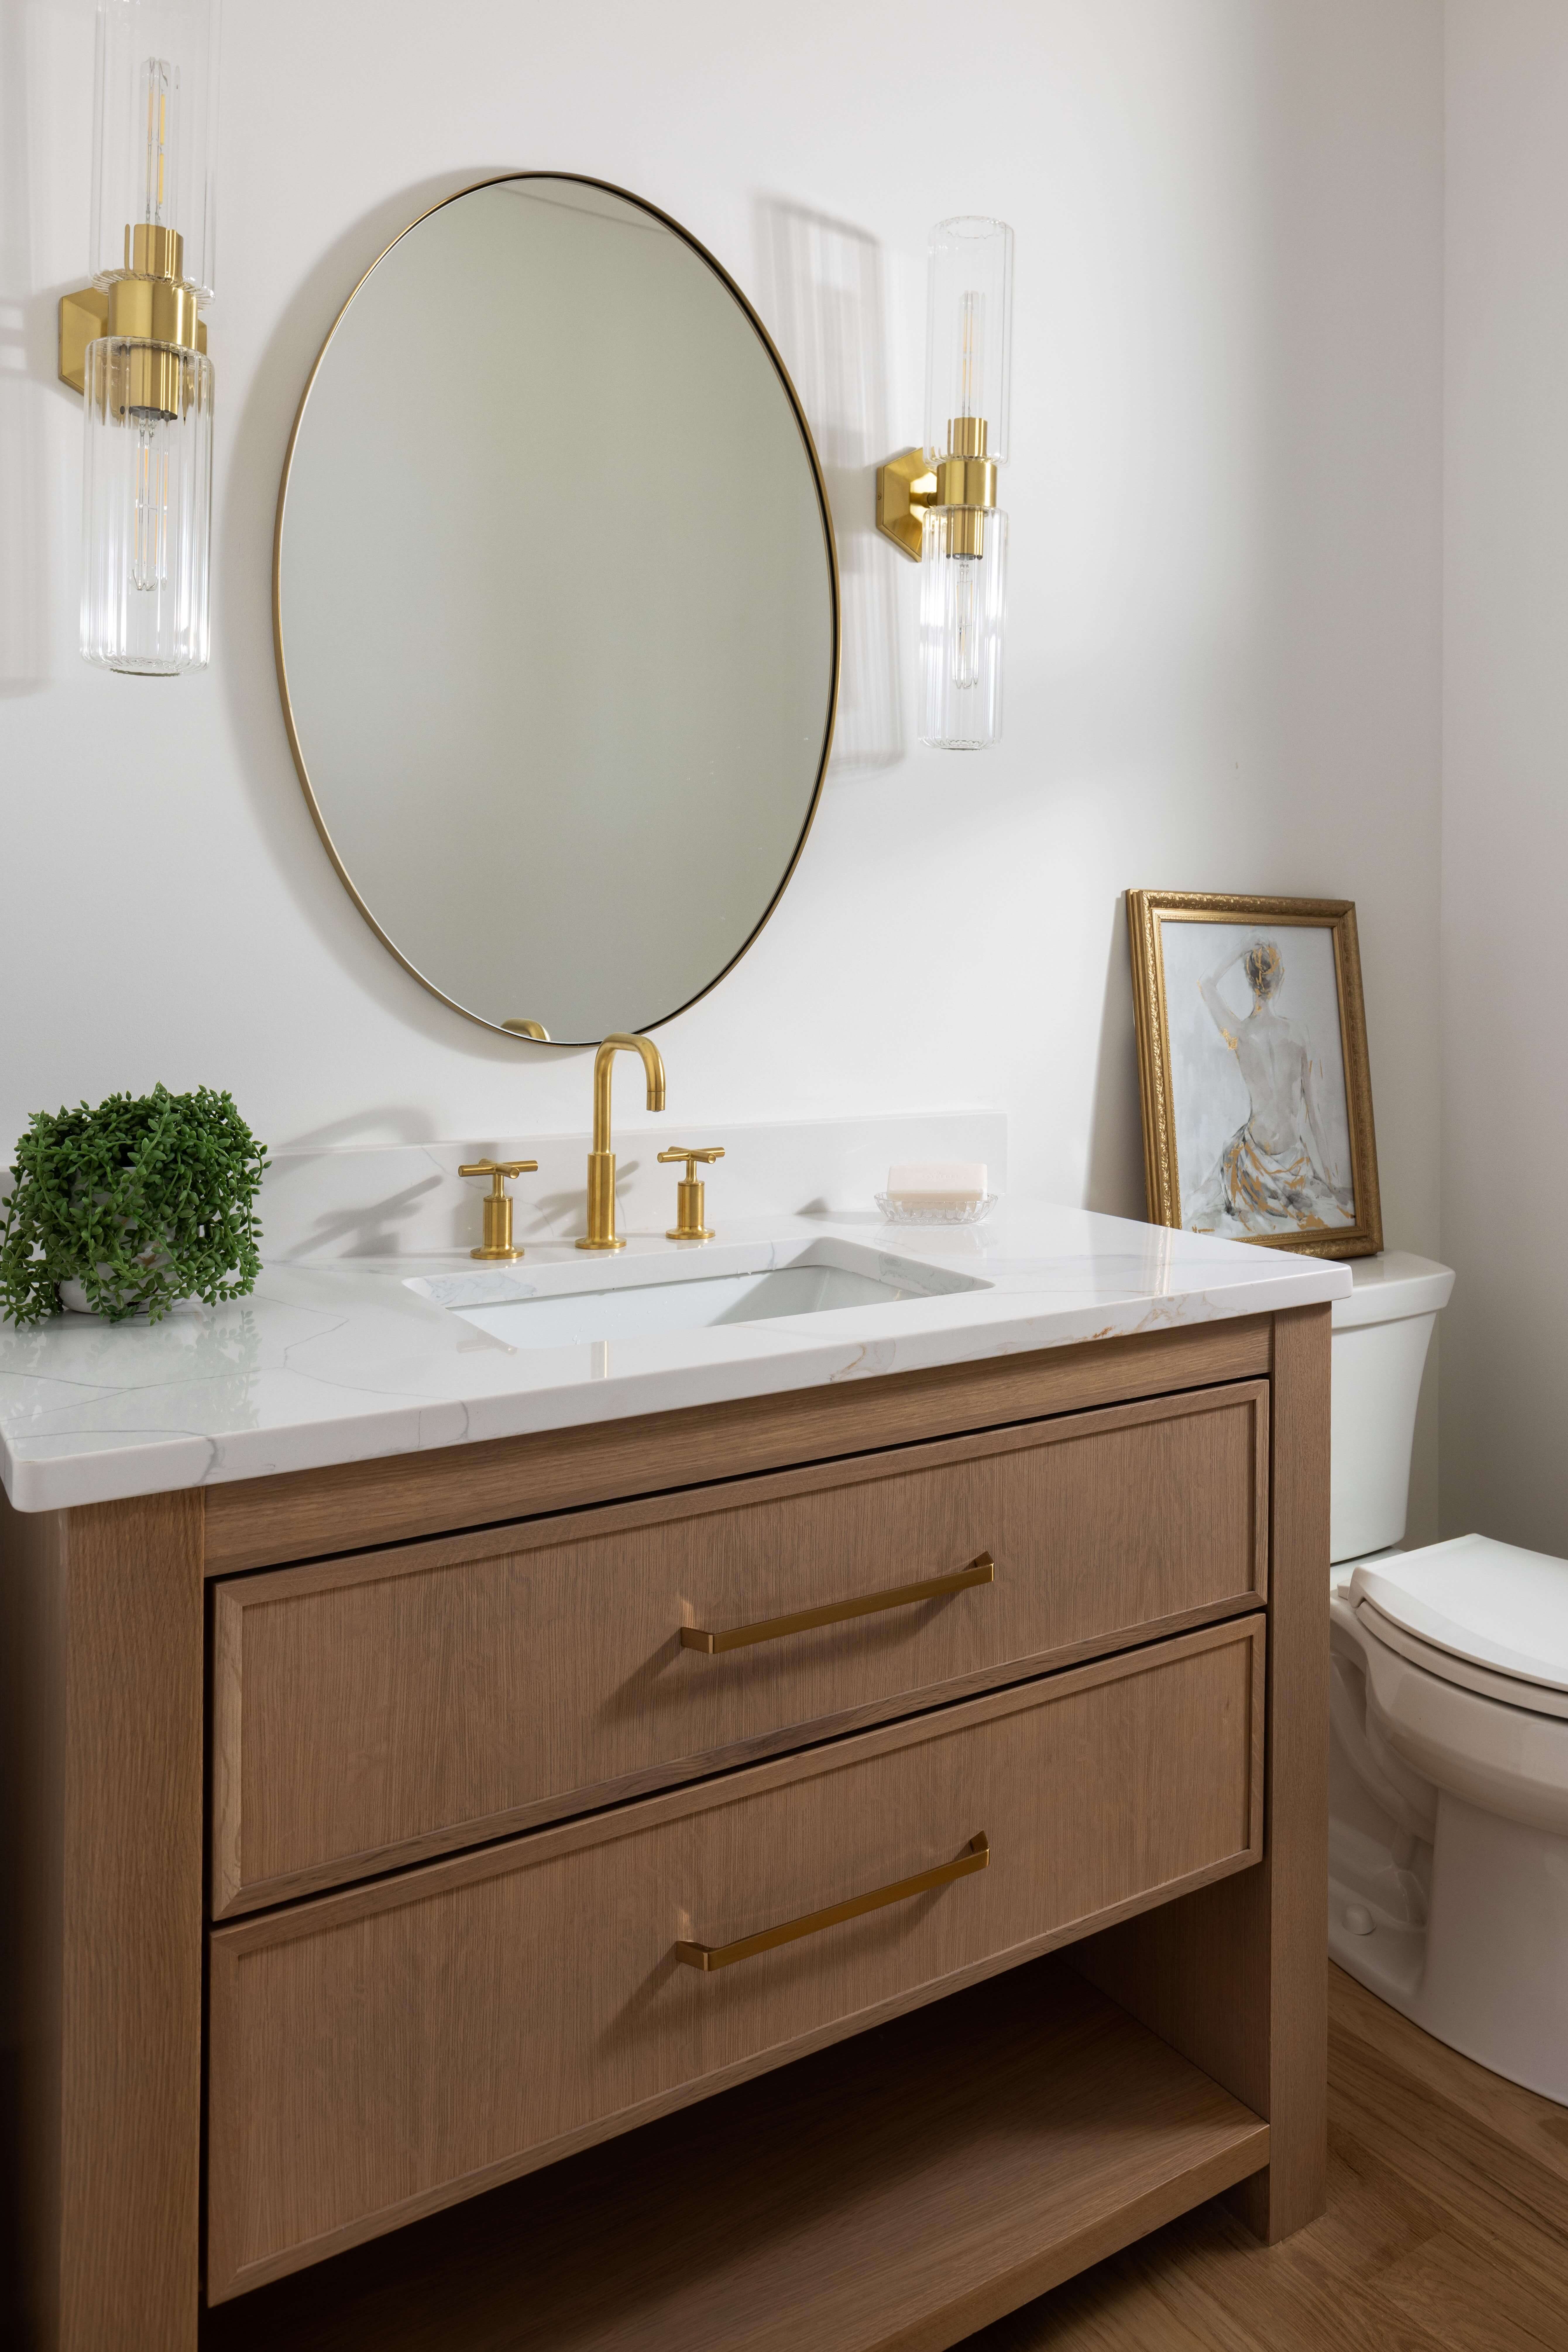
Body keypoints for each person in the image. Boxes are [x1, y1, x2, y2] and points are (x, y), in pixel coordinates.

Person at [1185, 934, 1353, 1236]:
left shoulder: (1239, 1035)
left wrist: (1242, 946)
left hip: (1251, 1166)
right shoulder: (1299, 1034)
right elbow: (1315, 1116)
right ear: (1281, 979)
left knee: (1219, 1174)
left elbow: (1206, 982)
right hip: (1292, 1164)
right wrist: (1329, 1179)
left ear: (1250, 981)